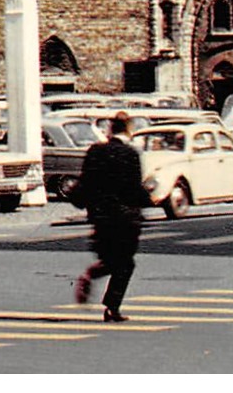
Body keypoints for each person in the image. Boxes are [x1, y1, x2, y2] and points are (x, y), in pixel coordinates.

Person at [71, 111, 150, 323]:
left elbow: (85, 182)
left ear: (110, 130)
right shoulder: (130, 154)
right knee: (125, 263)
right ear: (129, 130)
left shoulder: (95, 151)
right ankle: (111, 306)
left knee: (111, 258)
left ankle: (94, 281)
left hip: (100, 215)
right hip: (125, 217)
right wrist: (149, 198)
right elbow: (134, 189)